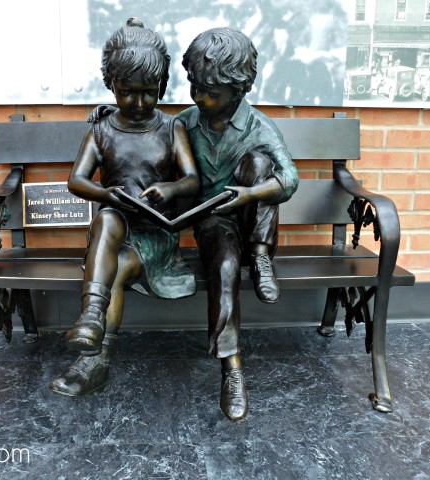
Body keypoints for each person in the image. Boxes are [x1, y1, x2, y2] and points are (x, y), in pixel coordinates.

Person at [50, 18, 199, 396]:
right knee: (108, 219)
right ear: (111, 86)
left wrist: (169, 188)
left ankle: (93, 355)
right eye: (127, 92)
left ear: (162, 86)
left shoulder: (171, 129)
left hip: (155, 235)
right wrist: (107, 194)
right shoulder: (102, 130)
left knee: (113, 267)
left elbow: (192, 180)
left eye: (149, 93)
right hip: (114, 230)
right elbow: (76, 180)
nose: (138, 102)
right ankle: (92, 324)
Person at [177, 27, 299, 420]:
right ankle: (232, 370)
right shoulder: (185, 122)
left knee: (263, 167)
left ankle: (262, 256)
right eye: (195, 87)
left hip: (252, 218)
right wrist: (110, 114)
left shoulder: (260, 127)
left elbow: (290, 178)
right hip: (215, 221)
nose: (199, 98)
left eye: (210, 92)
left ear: (239, 89)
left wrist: (250, 194)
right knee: (225, 266)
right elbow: (143, 131)